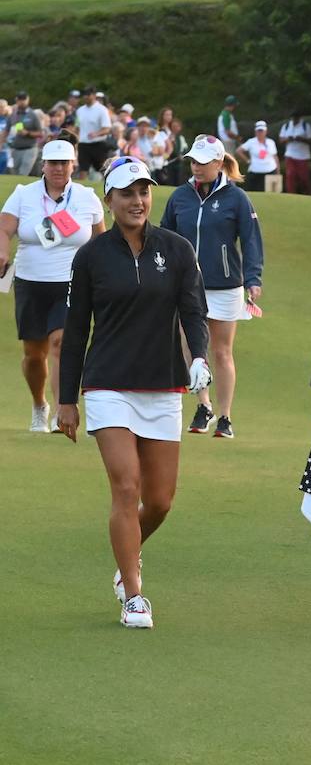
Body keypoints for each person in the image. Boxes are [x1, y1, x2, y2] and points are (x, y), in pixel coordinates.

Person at [57, 156, 211, 629]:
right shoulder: (91, 256)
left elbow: (193, 313)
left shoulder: (178, 249)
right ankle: (134, 595)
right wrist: (67, 398)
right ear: (110, 200)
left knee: (160, 501)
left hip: (163, 384)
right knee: (126, 487)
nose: (138, 201)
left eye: (144, 191)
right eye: (126, 193)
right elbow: (76, 327)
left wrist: (199, 358)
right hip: (107, 385)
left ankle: (128, 555)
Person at [159, 135, 264, 439]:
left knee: (221, 352)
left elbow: (251, 239)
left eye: (203, 162)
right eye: (193, 161)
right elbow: (165, 236)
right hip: (186, 284)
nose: (196, 167)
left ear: (219, 163)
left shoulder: (236, 198)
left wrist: (253, 278)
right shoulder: (180, 196)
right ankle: (204, 405)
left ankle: (226, 416)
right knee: (193, 349)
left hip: (225, 285)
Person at [0, 139, 106, 431]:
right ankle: (39, 404)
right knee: (35, 355)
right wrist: (2, 250)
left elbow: (101, 241)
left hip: (71, 285)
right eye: (53, 163)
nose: (59, 169)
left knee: (61, 344)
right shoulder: (24, 195)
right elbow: (5, 227)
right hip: (31, 283)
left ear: (73, 165)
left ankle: (62, 411)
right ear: (43, 165)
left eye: (64, 163)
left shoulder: (86, 197)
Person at [74, 88, 112, 181]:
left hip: (98, 144)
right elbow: (77, 127)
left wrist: (97, 134)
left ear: (94, 96)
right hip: (83, 144)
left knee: (103, 169)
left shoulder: (102, 110)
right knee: (83, 169)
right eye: (84, 95)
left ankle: (110, 185)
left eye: (88, 95)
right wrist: (76, 141)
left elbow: (107, 128)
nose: (86, 97)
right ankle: (81, 189)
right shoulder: (80, 110)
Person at [278, 110, 311, 195]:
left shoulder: (305, 126)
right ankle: (291, 194)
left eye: (297, 118)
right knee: (290, 175)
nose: (295, 120)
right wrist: (288, 139)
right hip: (290, 154)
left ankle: (307, 192)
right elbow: (281, 139)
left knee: (303, 177)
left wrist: (301, 139)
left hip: (303, 155)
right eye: (294, 118)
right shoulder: (287, 126)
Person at [237, 120, 279, 193]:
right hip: (255, 171)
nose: (260, 133)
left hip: (270, 171)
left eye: (262, 131)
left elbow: (275, 156)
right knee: (253, 193)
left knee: (272, 193)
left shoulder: (271, 142)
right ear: (255, 132)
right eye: (258, 131)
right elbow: (239, 151)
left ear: (265, 131)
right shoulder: (251, 142)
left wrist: (278, 171)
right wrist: (248, 161)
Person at [7, 91, 41, 176]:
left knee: (22, 173)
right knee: (14, 173)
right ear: (16, 100)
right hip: (15, 149)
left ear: (27, 100)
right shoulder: (13, 114)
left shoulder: (33, 114)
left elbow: (40, 133)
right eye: (20, 99)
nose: (22, 101)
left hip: (29, 149)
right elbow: (6, 130)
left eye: (24, 99)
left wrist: (27, 133)